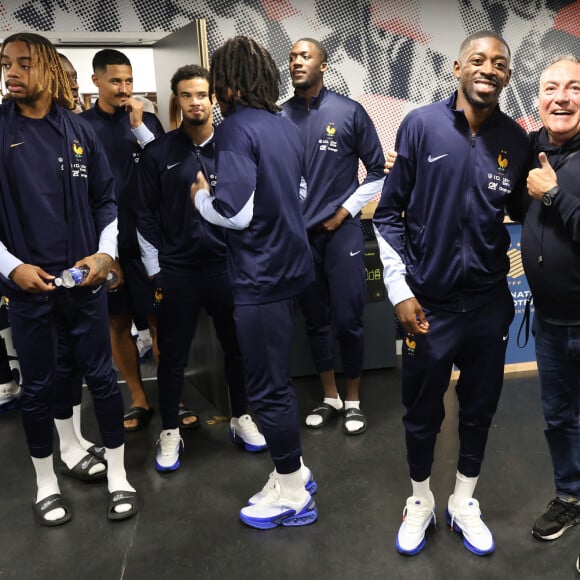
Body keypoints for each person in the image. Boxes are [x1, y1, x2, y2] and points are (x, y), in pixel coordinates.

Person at [373, 31, 529, 556]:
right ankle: (420, 500)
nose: (489, 68)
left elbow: (530, 214)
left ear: (508, 75)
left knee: (480, 409)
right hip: (428, 307)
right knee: (421, 414)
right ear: (458, 66)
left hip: (487, 307)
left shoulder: (516, 139)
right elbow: (389, 213)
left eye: (500, 63)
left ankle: (464, 500)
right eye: (479, 60)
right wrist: (400, 288)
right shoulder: (420, 126)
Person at [0, 32, 138, 525]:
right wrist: (10, 266)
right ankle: (45, 483)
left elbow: (106, 200)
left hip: (85, 286)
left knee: (101, 381)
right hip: (27, 292)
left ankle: (120, 477)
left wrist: (103, 255)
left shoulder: (80, 131)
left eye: (22, 64)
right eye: (5, 65)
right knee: (37, 390)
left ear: (47, 69)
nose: (12, 73)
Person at [191, 36, 318, 529]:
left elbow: (237, 213)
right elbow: (301, 191)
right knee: (276, 383)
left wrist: (203, 198)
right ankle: (295, 471)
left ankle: (292, 491)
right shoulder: (284, 126)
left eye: (216, 80)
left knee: (267, 390)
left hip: (260, 278)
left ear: (227, 83)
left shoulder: (235, 130)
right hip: (290, 270)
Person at [137, 64, 267, 472]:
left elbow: (254, 205)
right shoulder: (159, 152)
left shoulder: (234, 145)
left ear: (214, 98)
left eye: (202, 94)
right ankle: (170, 430)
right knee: (173, 355)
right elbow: (143, 214)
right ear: (177, 100)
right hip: (177, 270)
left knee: (238, 348)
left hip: (227, 267)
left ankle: (241, 416)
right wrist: (157, 268)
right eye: (187, 95)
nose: (196, 102)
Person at [282, 37, 386, 435]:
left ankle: (354, 400)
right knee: (315, 320)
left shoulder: (349, 112)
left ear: (323, 65)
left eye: (305, 56)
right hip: (301, 239)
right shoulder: (280, 116)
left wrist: (344, 210)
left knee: (348, 318)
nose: (297, 62)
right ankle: (329, 397)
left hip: (342, 232)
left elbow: (377, 171)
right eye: (292, 57)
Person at [508, 56, 580, 543]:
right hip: (552, 323)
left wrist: (555, 196)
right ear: (537, 101)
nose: (562, 97)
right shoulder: (533, 149)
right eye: (551, 88)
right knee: (558, 416)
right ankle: (571, 496)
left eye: (574, 88)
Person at [81, 49, 164, 432]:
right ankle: (139, 397)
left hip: (149, 239)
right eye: (116, 81)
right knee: (118, 323)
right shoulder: (80, 127)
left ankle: (173, 395)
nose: (124, 88)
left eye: (129, 81)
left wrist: (138, 126)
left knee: (160, 320)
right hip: (108, 245)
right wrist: (103, 251)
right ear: (96, 80)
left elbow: (166, 168)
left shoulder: (146, 121)